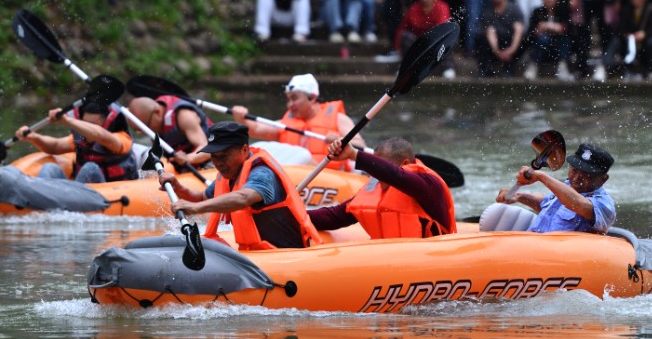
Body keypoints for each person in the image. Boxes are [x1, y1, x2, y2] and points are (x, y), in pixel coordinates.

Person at [157, 122, 323, 252]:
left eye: (224, 156)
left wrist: (196, 208)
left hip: (285, 255)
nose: (218, 163)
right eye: (214, 157)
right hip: (256, 255)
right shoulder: (228, 175)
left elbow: (244, 198)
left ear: (244, 150)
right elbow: (200, 197)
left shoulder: (262, 173)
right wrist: (178, 187)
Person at [309, 137, 455, 239]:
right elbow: (335, 216)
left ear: (405, 164)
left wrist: (354, 155)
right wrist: (299, 218)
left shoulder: (429, 185)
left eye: (379, 166)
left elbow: (396, 175)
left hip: (429, 262)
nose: (375, 173)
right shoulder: (374, 188)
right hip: (389, 263)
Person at [479, 142, 615, 234]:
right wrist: (519, 197)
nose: (577, 178)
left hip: (558, 260)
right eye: (574, 170)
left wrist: (541, 176)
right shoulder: (566, 187)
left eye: (586, 175)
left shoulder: (604, 205)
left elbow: (579, 205)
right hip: (531, 248)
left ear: (603, 179)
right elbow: (546, 204)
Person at [230, 72, 363, 167]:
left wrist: (340, 140)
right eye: (288, 99)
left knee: (302, 156)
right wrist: (242, 117)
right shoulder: (285, 123)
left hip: (332, 176)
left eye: (294, 98)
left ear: (312, 97)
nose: (290, 104)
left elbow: (360, 147)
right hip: (296, 174)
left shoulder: (338, 119)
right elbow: (256, 129)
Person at [13, 96, 139, 184]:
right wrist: (34, 137)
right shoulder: (82, 140)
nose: (86, 128)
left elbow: (101, 136)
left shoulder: (121, 139)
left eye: (92, 124)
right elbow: (55, 146)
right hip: (76, 192)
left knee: (90, 168)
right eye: (85, 123)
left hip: (110, 192)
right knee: (49, 168)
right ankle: (41, 202)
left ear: (105, 123)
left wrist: (68, 121)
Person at [394, 0, 455, 78]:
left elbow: (442, 29)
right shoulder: (413, 9)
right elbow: (402, 29)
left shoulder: (442, 7)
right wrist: (397, 47)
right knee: (405, 37)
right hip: (418, 45)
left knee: (447, 37)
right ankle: (407, 68)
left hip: (436, 44)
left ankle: (448, 68)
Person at [515, 0, 571, 78]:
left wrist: (548, 27)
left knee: (564, 39)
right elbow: (530, 33)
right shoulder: (537, 12)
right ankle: (534, 65)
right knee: (543, 39)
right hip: (541, 47)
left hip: (558, 47)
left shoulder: (563, 11)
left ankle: (562, 66)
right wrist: (539, 31)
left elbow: (567, 28)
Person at [477, 0, 524, 77]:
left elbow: (519, 31)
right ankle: (485, 69)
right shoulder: (487, 12)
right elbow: (490, 32)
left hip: (512, 46)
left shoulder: (514, 9)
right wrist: (498, 52)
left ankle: (509, 70)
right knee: (480, 38)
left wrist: (511, 50)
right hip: (495, 47)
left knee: (520, 38)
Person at [614, 0, 652, 79]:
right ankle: (613, 66)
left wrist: (644, 34)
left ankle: (650, 69)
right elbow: (620, 28)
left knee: (651, 42)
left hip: (646, 41)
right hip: (629, 41)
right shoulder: (626, 9)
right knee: (617, 41)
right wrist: (627, 35)